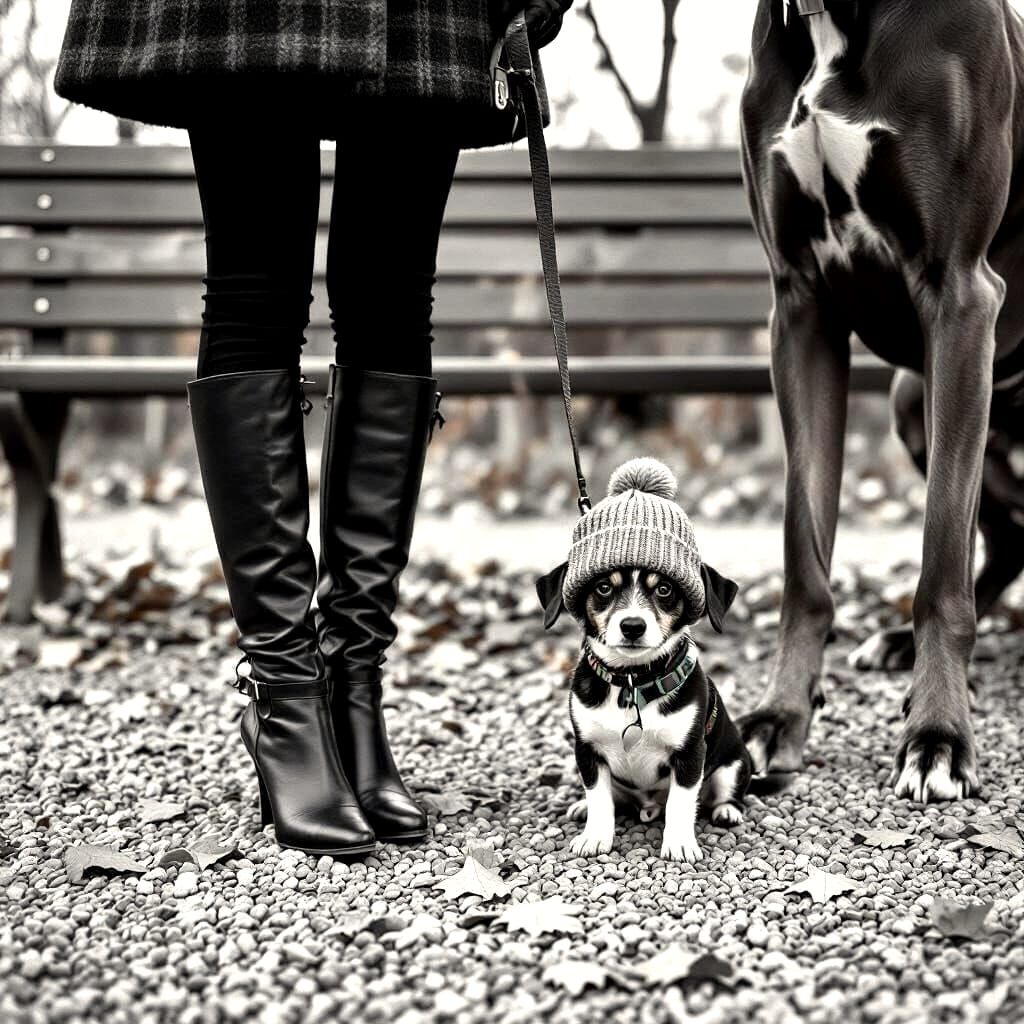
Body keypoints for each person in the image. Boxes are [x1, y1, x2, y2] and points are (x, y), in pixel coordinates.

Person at [53, 0, 573, 857]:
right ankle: (286, 698)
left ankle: (352, 689)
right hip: (249, 13)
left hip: (429, 13)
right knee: (253, 288)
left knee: (395, 299)